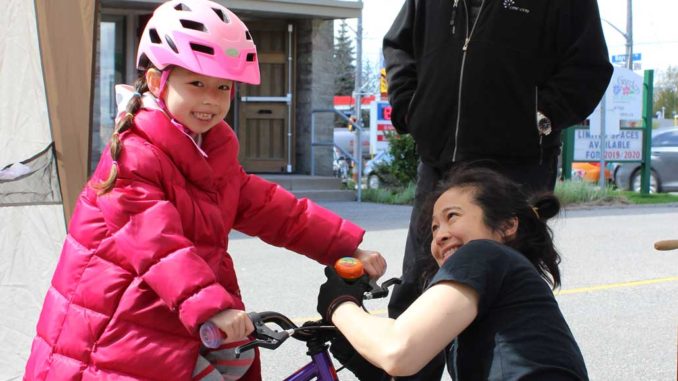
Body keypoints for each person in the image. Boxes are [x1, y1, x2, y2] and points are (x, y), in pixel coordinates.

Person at [23, 1, 386, 380]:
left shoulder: (209, 151)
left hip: (169, 316)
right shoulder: (132, 155)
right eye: (196, 83)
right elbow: (159, 245)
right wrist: (212, 308)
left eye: (223, 87)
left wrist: (344, 246)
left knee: (238, 359)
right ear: (155, 82)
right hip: (113, 329)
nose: (211, 99)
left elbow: (273, 209)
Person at [382, 1, 612, 378]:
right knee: (418, 286)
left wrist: (540, 117)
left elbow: (589, 66)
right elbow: (398, 45)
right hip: (439, 160)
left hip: (515, 163)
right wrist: (410, 107)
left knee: (498, 294)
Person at [317, 165, 588, 380]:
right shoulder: (503, 285)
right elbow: (403, 353)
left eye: (452, 217)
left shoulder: (484, 253)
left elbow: (397, 349)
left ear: (507, 226)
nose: (440, 236)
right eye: (434, 228)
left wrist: (339, 302)